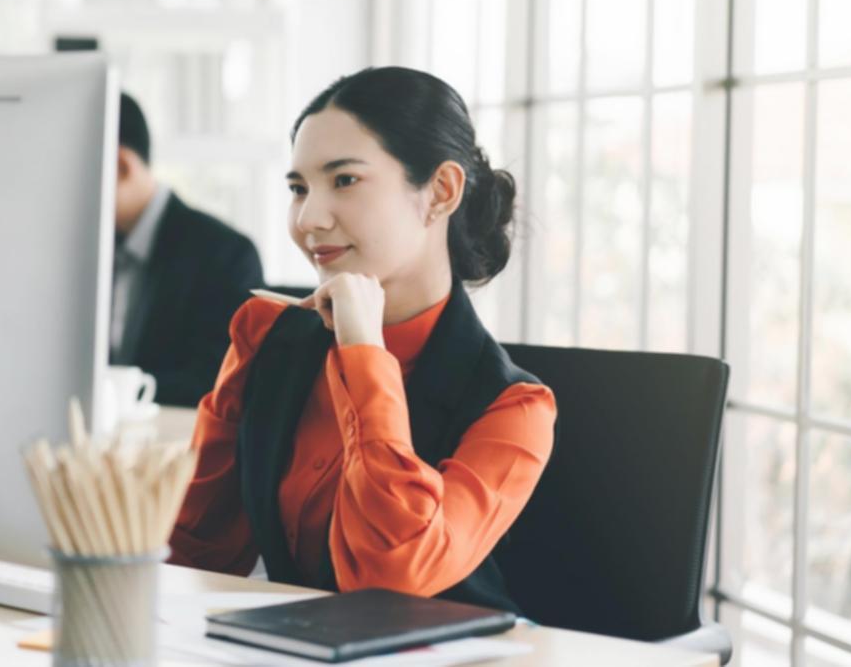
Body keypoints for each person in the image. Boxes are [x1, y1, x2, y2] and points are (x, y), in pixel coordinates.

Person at [168, 67, 556, 612]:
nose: (309, 218)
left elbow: (390, 577)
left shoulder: (518, 409)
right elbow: (196, 549)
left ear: (441, 191)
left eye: (344, 180)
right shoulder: (265, 336)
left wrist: (365, 356)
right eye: (298, 188)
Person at [111, 93, 264, 407]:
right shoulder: (81, 248)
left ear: (121, 166)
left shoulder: (226, 254)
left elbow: (219, 380)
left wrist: (116, 390)